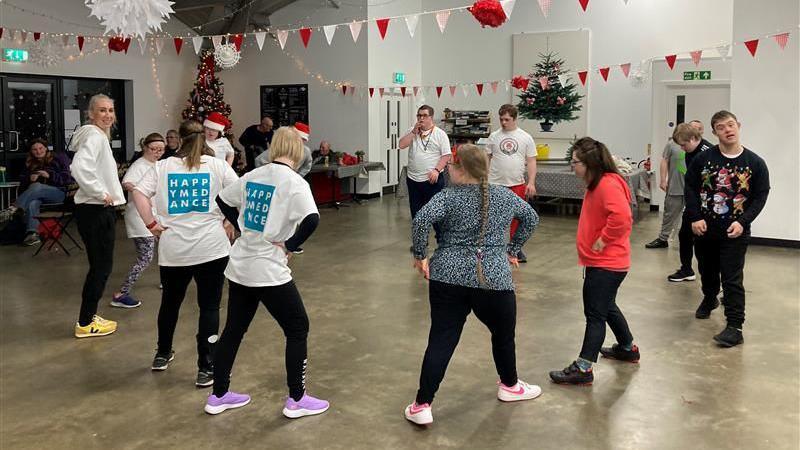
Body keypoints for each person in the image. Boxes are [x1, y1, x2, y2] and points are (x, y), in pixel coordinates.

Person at [404, 144, 541, 426]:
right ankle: (510, 386)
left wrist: (420, 256)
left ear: (461, 169)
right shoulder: (503, 196)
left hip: (446, 276)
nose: (449, 171)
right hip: (493, 277)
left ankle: (422, 405)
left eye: (452, 167)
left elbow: (420, 221)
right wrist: (512, 250)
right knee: (503, 335)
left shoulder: (447, 197)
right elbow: (531, 218)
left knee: (442, 339)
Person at [205, 126, 329, 419]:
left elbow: (223, 199)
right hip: (268, 269)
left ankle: (219, 394)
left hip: (240, 266)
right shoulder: (295, 183)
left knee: (234, 330)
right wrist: (290, 244)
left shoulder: (253, 175)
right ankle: (297, 398)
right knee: (298, 327)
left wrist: (239, 225)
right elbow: (312, 219)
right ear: (298, 151)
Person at [132, 119, 239, 386]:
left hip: (174, 249)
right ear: (204, 138)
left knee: (170, 303)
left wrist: (152, 224)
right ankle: (206, 366)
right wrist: (229, 222)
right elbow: (241, 194)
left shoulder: (162, 166)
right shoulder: (216, 165)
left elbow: (138, 194)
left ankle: (162, 353)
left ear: (177, 139)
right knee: (210, 307)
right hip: (212, 248)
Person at [549, 137, 639, 385]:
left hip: (607, 263)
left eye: (575, 162)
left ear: (590, 163)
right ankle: (627, 347)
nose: (572, 166)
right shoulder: (598, 182)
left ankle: (584, 367)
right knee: (606, 306)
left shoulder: (607, 184)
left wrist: (603, 240)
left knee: (595, 314)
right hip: (604, 261)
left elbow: (622, 217)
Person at [684, 110, 769, 347]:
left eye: (730, 125)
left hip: (735, 231)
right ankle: (710, 298)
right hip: (705, 229)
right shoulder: (703, 159)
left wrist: (743, 222)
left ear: (738, 126)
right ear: (714, 132)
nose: (727, 130)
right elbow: (690, 187)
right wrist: (694, 217)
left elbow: (761, 196)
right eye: (721, 127)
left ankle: (735, 326)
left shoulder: (755, 163)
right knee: (707, 270)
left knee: (732, 278)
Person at [70, 94, 127, 338]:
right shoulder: (94, 135)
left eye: (111, 110)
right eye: (102, 110)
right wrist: (100, 192)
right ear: (91, 114)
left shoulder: (95, 135)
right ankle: (85, 323)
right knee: (101, 268)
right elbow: (79, 167)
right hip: (95, 210)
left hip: (92, 210)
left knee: (99, 266)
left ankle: (88, 316)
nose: (108, 115)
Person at [110, 134, 165, 309]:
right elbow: (127, 183)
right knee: (146, 258)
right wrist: (142, 193)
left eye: (161, 149)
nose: (157, 153)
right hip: (139, 218)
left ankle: (167, 281)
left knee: (165, 248)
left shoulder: (156, 165)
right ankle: (121, 293)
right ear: (145, 148)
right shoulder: (139, 165)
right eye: (153, 149)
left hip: (153, 216)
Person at [486, 104, 537, 262]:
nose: (503, 122)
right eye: (501, 119)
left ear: (515, 119)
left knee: (517, 217)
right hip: (495, 183)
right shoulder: (494, 136)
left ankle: (515, 249)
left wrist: (532, 182)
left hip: (517, 183)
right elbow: (486, 157)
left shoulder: (525, 137)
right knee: (493, 216)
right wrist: (484, 177)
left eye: (507, 119)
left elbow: (531, 161)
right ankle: (492, 247)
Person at [0, 139, 74, 246]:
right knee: (32, 202)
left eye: (40, 148)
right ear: (31, 152)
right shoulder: (30, 163)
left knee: (37, 186)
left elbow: (69, 179)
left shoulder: (59, 158)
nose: (38, 152)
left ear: (46, 148)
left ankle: (12, 209)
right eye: (34, 150)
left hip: (60, 194)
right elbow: (23, 185)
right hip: (40, 198)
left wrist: (49, 175)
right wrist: (29, 179)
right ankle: (32, 234)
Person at [665, 122, 714, 282]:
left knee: (705, 245)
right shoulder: (690, 152)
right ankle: (686, 269)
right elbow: (691, 182)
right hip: (694, 203)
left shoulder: (708, 154)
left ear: (694, 138)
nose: (682, 148)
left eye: (684, 144)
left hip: (708, 206)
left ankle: (715, 281)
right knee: (684, 235)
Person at [398, 105, 451, 243]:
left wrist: (436, 170)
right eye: (419, 115)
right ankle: (420, 241)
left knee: (435, 212)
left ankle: (442, 240)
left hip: (432, 180)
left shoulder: (440, 134)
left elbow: (446, 155)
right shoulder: (413, 131)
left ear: (431, 117)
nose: (421, 118)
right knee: (416, 212)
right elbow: (401, 145)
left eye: (424, 116)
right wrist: (413, 133)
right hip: (413, 179)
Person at [644, 139, 684, 249]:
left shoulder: (703, 146)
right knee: (669, 214)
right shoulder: (672, 144)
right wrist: (663, 180)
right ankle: (663, 239)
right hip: (675, 186)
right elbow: (664, 160)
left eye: (700, 129)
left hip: (693, 188)